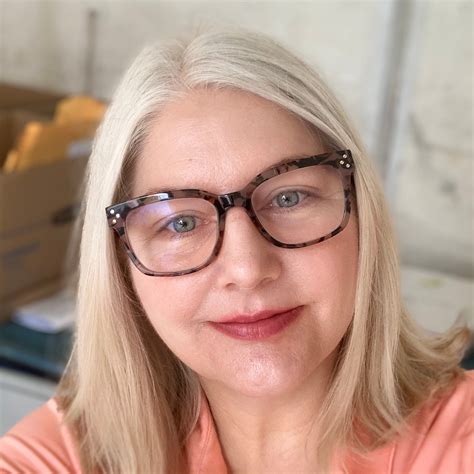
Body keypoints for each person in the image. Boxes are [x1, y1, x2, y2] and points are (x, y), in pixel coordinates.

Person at [0, 28, 472, 474]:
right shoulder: (60, 458)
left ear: (362, 212)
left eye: (289, 198)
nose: (247, 269)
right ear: (121, 266)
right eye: (181, 223)